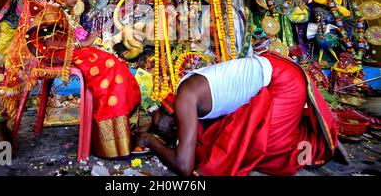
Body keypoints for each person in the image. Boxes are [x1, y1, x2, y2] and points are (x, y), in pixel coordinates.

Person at [0, 0, 141, 159]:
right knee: (111, 66)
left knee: (115, 64)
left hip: (70, 54)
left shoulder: (63, 13)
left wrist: (89, 42)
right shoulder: (50, 11)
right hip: (58, 57)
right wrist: (85, 43)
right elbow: (48, 45)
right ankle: (109, 139)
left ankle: (118, 133)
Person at [135, 39, 340, 176]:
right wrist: (149, 129)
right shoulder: (186, 93)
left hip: (284, 81)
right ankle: (312, 129)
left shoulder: (185, 101)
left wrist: (152, 142)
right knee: (224, 134)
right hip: (272, 71)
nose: (182, 139)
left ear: (175, 123)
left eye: (176, 136)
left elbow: (184, 166)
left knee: (265, 152)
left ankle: (321, 141)